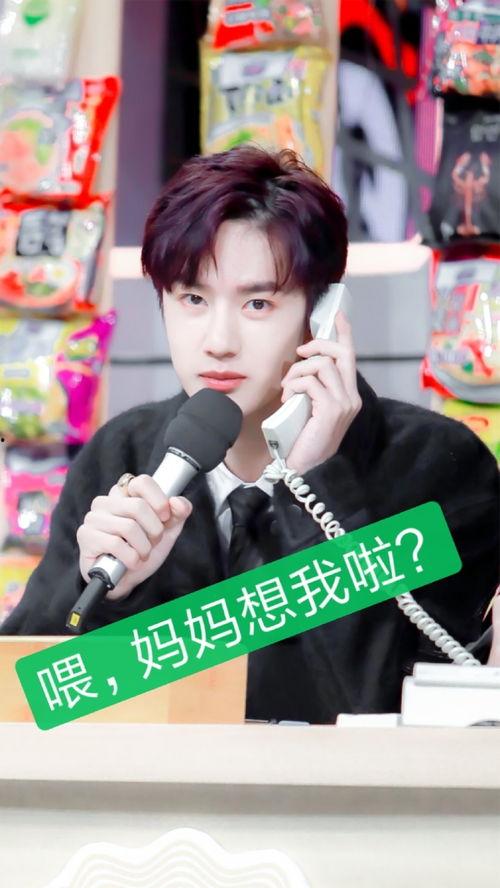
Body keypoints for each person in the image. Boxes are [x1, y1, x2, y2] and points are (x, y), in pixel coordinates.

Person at [1, 146, 499, 724]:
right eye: (192, 299)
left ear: (322, 312)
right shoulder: (122, 455)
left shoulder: (439, 466)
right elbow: (26, 704)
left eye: (258, 303)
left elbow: (383, 707)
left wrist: (319, 488)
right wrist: (106, 592)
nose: (218, 341)